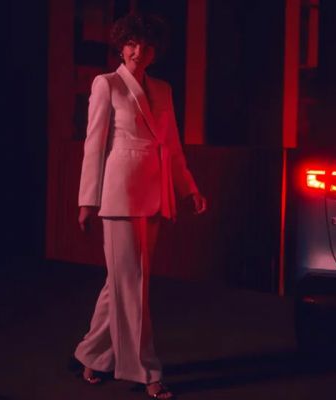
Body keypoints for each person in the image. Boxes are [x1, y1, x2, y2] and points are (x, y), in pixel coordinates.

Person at [73, 12, 206, 399]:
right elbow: (94, 144)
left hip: (155, 192)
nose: (137, 51)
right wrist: (87, 200)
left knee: (124, 281)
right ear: (121, 46)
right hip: (119, 194)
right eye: (131, 43)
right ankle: (145, 370)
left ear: (154, 52)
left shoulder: (163, 89)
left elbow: (172, 145)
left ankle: (92, 354)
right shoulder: (107, 84)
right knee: (132, 283)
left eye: (145, 46)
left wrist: (189, 189)